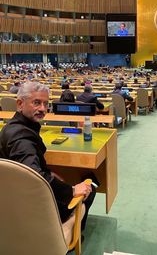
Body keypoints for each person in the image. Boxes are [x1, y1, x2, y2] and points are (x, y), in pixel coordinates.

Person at [0, 82, 95, 229]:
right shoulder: (21, 137)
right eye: (36, 103)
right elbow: (33, 176)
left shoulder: (13, 127)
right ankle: (69, 234)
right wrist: (71, 191)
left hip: (14, 198)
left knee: (60, 177)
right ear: (20, 104)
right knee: (91, 186)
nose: (43, 109)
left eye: (45, 103)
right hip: (35, 205)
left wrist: (50, 174)